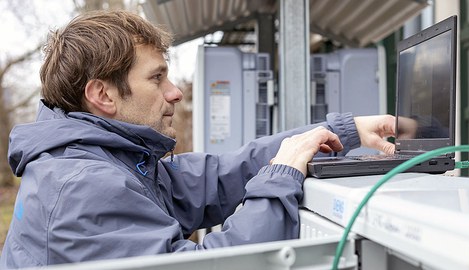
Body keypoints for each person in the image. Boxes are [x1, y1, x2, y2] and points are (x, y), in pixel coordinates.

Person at [0, 10, 396, 269]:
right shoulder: (82, 185)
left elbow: (218, 176)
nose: (176, 92)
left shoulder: (109, 160)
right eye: (157, 78)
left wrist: (341, 131)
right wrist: (281, 175)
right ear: (102, 95)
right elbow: (219, 265)